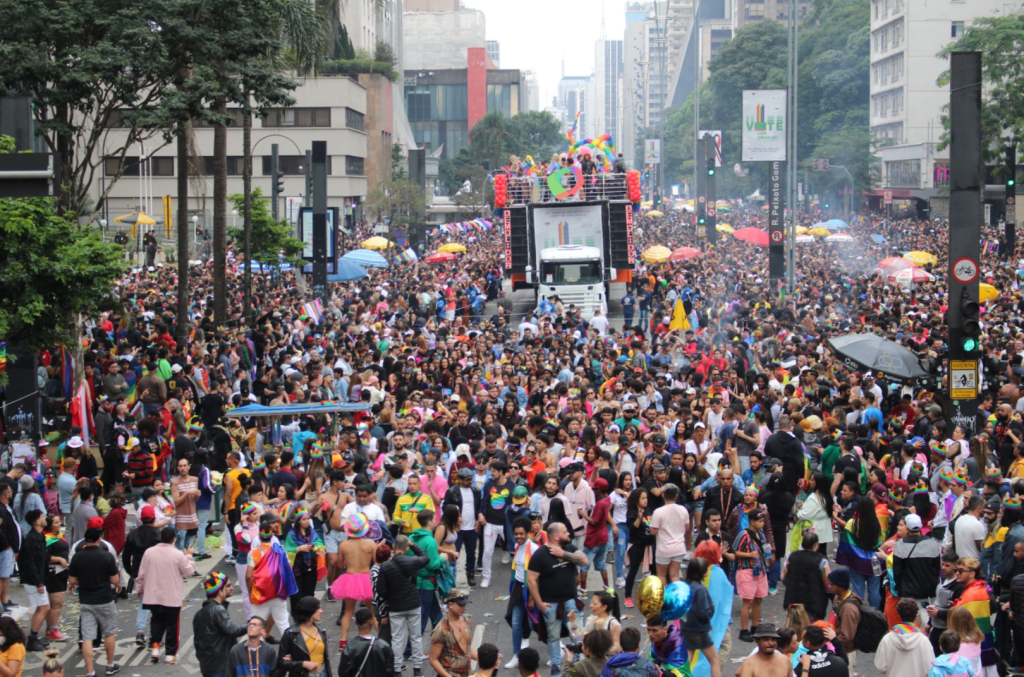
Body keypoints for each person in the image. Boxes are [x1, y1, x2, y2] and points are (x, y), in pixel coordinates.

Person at [527, 522, 589, 676]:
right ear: (556, 536)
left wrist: (562, 554)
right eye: (565, 532)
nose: (569, 534)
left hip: (571, 602)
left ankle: (577, 668)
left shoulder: (568, 548)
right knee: (553, 636)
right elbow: (531, 579)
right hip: (551, 604)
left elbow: (584, 561)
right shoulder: (540, 554)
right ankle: (555, 668)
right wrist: (540, 604)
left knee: (577, 636)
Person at [67, 517, 122, 677]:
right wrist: (118, 586)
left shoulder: (78, 556)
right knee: (109, 633)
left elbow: (72, 580)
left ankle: (90, 672)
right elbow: (114, 579)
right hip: (104, 599)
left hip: (86, 600)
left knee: (88, 637)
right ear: (99, 539)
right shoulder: (106, 556)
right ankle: (110, 665)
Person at [136, 524, 196, 664]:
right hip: (171, 597)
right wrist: (189, 556)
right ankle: (170, 654)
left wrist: (139, 590)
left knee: (156, 621)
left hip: (152, 596)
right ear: (174, 539)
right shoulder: (177, 554)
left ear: (160, 537)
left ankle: (155, 647)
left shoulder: (149, 552)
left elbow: (141, 574)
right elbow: (189, 571)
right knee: (172, 625)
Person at [376, 534, 429, 676]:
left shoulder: (386, 566)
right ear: (406, 548)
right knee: (416, 637)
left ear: (393, 547)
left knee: (397, 639)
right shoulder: (412, 561)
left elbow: (381, 590)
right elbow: (425, 557)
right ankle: (417, 670)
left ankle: (397, 670)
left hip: (395, 607)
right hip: (413, 604)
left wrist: (391, 595)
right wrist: (413, 545)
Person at [247, 513, 299, 640]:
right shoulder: (281, 551)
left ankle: (256, 653)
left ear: (259, 536)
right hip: (277, 592)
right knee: (283, 624)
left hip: (259, 593)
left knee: (256, 624)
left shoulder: (253, 553)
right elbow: (287, 571)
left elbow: (249, 576)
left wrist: (250, 592)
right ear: (272, 536)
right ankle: (291, 653)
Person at [331, 513, 379, 649]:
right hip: (367, 578)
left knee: (348, 612)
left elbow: (340, 565)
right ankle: (381, 637)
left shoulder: (343, 545)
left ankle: (343, 641)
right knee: (372, 610)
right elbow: (376, 562)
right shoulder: (371, 544)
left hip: (350, 578)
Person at [193, 571, 248, 677]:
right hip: (221, 667)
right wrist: (250, 626)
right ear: (220, 592)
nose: (232, 588)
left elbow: (197, 643)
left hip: (207, 667)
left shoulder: (198, 614)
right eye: (228, 586)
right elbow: (232, 630)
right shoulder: (218, 610)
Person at [505, 517, 542, 668]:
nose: (518, 536)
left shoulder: (534, 549)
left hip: (530, 590)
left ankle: (556, 647)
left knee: (537, 623)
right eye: (516, 533)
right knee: (515, 622)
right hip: (518, 589)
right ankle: (516, 655)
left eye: (521, 533)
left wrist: (532, 598)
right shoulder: (516, 546)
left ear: (528, 533)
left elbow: (538, 575)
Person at [122, 504, 161, 647]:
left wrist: (130, 571)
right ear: (154, 517)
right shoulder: (158, 534)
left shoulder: (133, 534)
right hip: (155, 573)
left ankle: (140, 631)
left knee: (143, 602)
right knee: (156, 604)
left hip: (138, 572)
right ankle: (153, 635)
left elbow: (126, 556)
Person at [410, 509, 452, 635]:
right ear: (429, 522)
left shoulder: (411, 537)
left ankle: (443, 641)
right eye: (434, 520)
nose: (436, 522)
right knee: (422, 618)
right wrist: (442, 558)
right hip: (426, 584)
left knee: (436, 615)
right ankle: (410, 649)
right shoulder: (431, 542)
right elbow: (432, 565)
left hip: (415, 581)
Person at [892, 513, 942, 619]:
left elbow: (897, 570)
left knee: (910, 621)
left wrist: (900, 588)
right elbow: (937, 568)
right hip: (928, 591)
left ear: (908, 528)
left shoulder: (900, 544)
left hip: (908, 592)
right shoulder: (932, 543)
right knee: (927, 620)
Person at [680, 557, 720, 677]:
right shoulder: (701, 589)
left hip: (686, 628)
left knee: (686, 663)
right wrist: (710, 612)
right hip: (699, 630)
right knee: (715, 661)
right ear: (701, 572)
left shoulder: (685, 586)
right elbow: (703, 613)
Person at [734, 508, 770, 642]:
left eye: (763, 521)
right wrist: (749, 555)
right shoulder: (743, 535)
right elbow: (734, 551)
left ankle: (755, 628)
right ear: (752, 522)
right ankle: (744, 630)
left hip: (760, 570)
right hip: (746, 570)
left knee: (758, 599)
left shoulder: (761, 534)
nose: (762, 524)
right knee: (747, 602)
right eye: (760, 521)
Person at [873, 597, 935, 675]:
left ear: (899, 615)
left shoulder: (888, 639)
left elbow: (881, 666)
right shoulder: (923, 640)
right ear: (916, 615)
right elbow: (930, 668)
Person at [783, 530, 831, 621]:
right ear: (816, 545)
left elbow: (784, 578)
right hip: (814, 603)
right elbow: (828, 584)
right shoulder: (821, 561)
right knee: (811, 632)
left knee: (795, 629)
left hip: (793, 603)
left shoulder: (792, 557)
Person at [276, 596, 331, 677]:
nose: (321, 611)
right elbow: (281, 663)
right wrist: (303, 664)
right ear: (309, 610)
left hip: (322, 673)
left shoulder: (321, 631)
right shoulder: (291, 633)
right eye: (318, 608)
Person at [19, 509, 49, 652]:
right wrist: (38, 583)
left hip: (37, 578)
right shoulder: (31, 539)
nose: (45, 518)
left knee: (42, 607)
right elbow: (29, 562)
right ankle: (32, 639)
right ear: (37, 522)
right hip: (33, 580)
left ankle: (34, 637)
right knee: (43, 607)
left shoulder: (38, 536)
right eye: (42, 517)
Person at [649, 483, 691, 585]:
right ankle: (677, 599)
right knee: (675, 575)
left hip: (664, 548)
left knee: (661, 575)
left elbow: (653, 531)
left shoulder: (658, 512)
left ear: (663, 495)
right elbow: (687, 528)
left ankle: (665, 599)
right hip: (679, 547)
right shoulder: (683, 510)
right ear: (676, 496)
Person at [429, 589, 476, 677]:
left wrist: (483, 659)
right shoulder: (441, 630)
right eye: (460, 605)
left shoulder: (467, 622)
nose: (464, 607)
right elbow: (433, 659)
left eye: (465, 604)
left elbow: (467, 647)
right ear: (450, 604)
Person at [926, 551, 965, 654]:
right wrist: (930, 622)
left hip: (948, 630)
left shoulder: (958, 586)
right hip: (936, 628)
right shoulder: (941, 582)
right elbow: (937, 604)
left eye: (947, 565)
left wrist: (938, 613)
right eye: (942, 564)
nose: (943, 567)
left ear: (956, 567)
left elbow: (957, 610)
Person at [339, 608, 395, 677]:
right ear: (371, 622)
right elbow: (390, 670)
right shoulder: (383, 646)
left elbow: (343, 672)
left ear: (356, 622)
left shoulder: (350, 647)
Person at [826, 568, 862, 670]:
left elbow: (847, 637)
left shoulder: (848, 609)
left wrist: (833, 643)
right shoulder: (838, 598)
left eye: (832, 585)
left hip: (845, 652)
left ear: (841, 587)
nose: (829, 587)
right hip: (838, 648)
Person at [170, 457, 200, 551]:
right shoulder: (175, 483)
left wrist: (197, 495)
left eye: (184, 466)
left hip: (192, 518)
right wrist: (186, 493)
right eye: (180, 466)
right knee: (179, 545)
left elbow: (194, 499)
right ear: (178, 468)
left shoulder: (195, 480)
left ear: (188, 467)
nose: (183, 468)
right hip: (181, 520)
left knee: (189, 546)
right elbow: (176, 502)